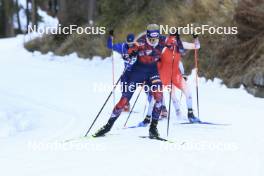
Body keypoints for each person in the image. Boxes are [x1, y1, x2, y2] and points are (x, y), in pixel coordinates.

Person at [93, 24, 170, 138]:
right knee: (124, 100)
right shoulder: (140, 42)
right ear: (147, 36)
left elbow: (176, 43)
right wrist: (131, 55)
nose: (153, 41)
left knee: (159, 97)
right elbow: (128, 54)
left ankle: (153, 128)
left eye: (156, 39)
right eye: (151, 39)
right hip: (137, 72)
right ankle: (107, 127)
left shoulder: (163, 40)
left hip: (152, 72)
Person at [140, 32, 201, 125]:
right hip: (163, 75)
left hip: (176, 75)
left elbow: (197, 46)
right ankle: (147, 119)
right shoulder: (162, 47)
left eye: (175, 40)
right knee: (154, 97)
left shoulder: (180, 45)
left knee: (188, 93)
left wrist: (196, 38)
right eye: (172, 40)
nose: (174, 43)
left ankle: (191, 115)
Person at [106, 30, 137, 112]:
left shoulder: (138, 47)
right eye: (128, 43)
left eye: (132, 43)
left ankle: (158, 107)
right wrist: (110, 37)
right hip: (127, 71)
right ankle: (126, 104)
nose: (130, 45)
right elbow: (110, 46)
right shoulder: (122, 47)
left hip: (138, 71)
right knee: (124, 85)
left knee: (146, 87)